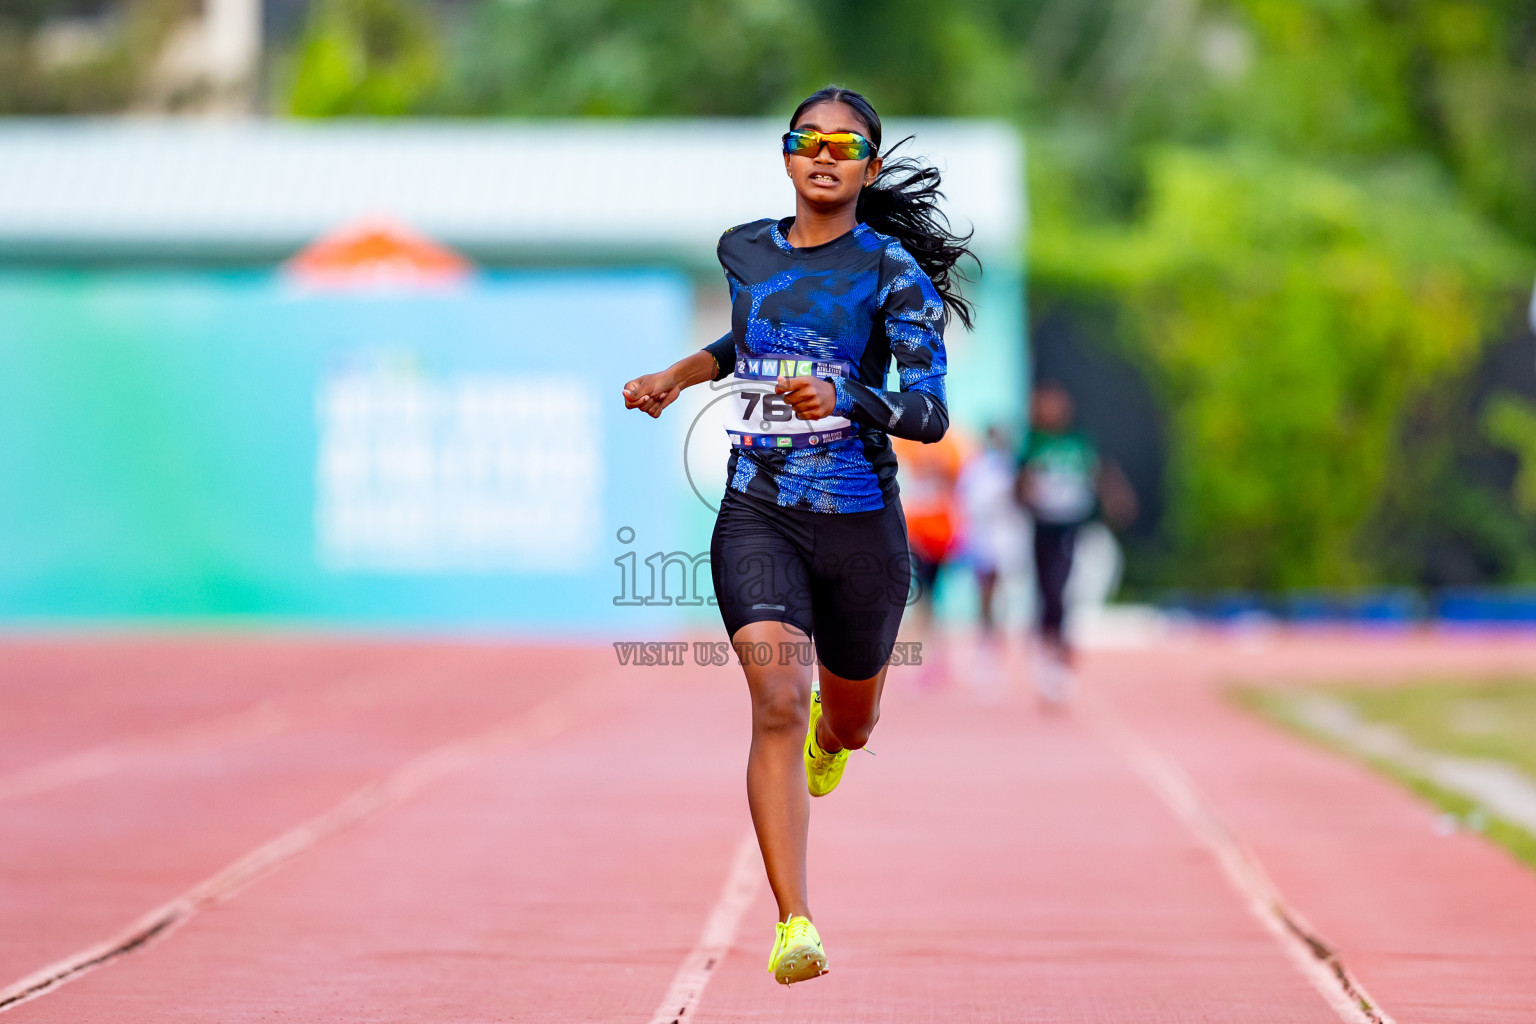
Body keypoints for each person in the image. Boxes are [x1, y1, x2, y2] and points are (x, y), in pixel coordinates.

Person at [621, 85, 976, 985]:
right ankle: (794, 921)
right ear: (786, 156)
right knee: (776, 699)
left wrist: (849, 395)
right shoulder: (744, 248)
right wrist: (681, 372)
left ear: (869, 166)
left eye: (845, 144)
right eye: (806, 139)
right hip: (759, 511)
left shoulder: (894, 273)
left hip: (860, 524)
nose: (824, 153)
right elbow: (751, 338)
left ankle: (834, 738)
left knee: (849, 723)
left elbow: (930, 413)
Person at [1016, 381, 1136, 702]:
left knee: (1064, 588)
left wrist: (1116, 499)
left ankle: (1062, 655)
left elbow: (1100, 473)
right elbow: (1019, 482)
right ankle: (1047, 648)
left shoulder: (1079, 442)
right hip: (1042, 525)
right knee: (1046, 590)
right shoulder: (1032, 443)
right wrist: (1024, 495)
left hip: (1073, 526)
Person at [890, 430, 964, 687]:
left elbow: (955, 489)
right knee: (926, 599)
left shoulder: (949, 447)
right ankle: (934, 660)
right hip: (922, 532)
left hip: (938, 533)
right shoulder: (911, 445)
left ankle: (933, 660)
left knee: (929, 599)